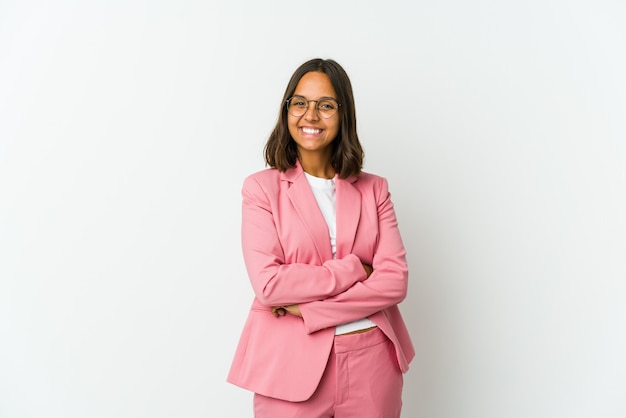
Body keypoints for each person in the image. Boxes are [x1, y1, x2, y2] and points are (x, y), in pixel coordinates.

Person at [227, 58, 414, 417]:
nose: (310, 115)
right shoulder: (261, 190)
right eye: (300, 103)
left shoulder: (374, 189)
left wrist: (311, 309)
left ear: (344, 115)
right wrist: (353, 269)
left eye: (325, 105)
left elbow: (394, 282)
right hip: (289, 365)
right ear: (287, 111)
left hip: (372, 360)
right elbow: (270, 285)